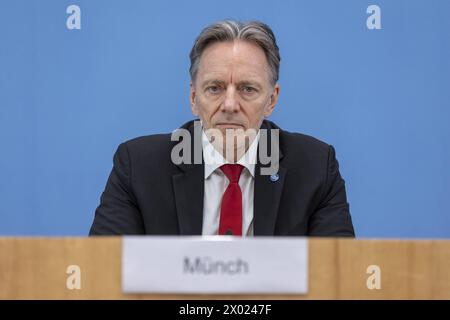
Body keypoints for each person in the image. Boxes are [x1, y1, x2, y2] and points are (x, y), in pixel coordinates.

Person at [89, 20, 355, 237]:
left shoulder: (315, 168)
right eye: (214, 88)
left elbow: (338, 277)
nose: (229, 104)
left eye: (247, 89)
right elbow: (103, 273)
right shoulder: (138, 166)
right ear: (194, 98)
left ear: (271, 100)